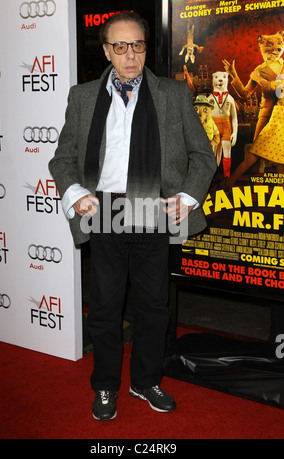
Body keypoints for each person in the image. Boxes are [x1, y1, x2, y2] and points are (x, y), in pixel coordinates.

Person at [49, 11, 216, 421]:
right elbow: (63, 158)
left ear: (146, 48)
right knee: (105, 307)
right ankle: (105, 386)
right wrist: (75, 193)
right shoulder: (83, 96)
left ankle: (145, 381)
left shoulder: (173, 95)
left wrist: (189, 198)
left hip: (154, 208)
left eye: (138, 45)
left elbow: (204, 156)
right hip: (104, 209)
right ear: (106, 50)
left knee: (153, 306)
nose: (130, 55)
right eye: (120, 46)